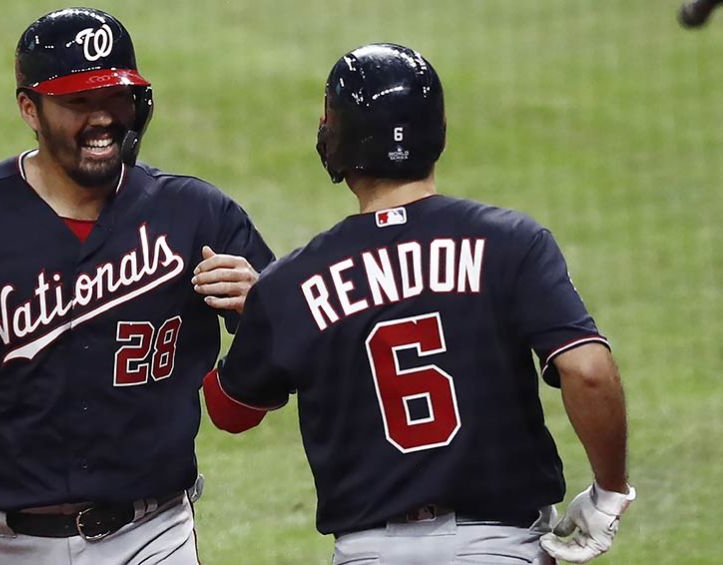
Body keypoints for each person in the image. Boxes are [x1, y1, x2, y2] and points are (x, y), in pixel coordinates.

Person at [0, 7, 273, 564]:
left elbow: (287, 343)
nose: (102, 118)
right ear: (29, 109)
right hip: (2, 546)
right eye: (79, 103)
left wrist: (260, 303)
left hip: (152, 535)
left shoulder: (197, 215)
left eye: (114, 98)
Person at [202, 43, 635, 564]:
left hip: (370, 553)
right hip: (501, 549)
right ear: (438, 132)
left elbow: (231, 411)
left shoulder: (292, 284)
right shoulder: (512, 242)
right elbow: (587, 370)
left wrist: (267, 313)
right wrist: (609, 493)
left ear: (334, 139)